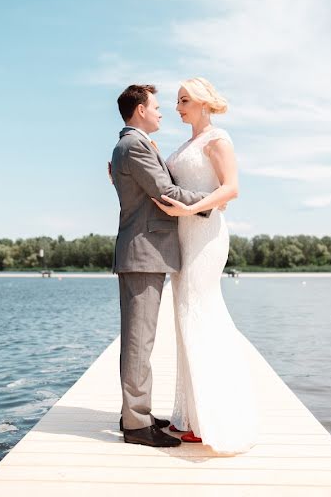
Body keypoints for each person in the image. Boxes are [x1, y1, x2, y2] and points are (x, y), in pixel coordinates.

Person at [152, 77, 258, 454]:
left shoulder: (218, 139)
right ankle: (194, 418)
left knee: (201, 315)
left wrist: (191, 208)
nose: (177, 107)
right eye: (176, 101)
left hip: (206, 235)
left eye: (183, 100)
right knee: (184, 321)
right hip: (182, 237)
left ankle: (219, 415)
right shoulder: (184, 145)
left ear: (201, 103)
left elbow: (231, 188)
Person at [109, 84, 211, 448]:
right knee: (139, 342)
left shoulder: (135, 144)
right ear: (139, 110)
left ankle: (136, 413)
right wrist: (210, 201)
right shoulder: (134, 145)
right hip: (143, 251)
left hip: (145, 251)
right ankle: (136, 425)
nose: (162, 112)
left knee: (141, 339)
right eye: (155, 106)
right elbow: (164, 191)